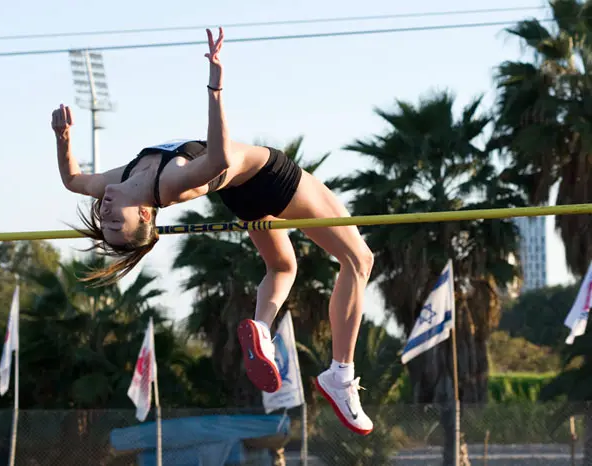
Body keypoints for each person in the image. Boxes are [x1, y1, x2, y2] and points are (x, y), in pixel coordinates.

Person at [51, 27, 374, 435]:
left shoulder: (121, 180)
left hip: (243, 198)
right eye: (117, 222)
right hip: (270, 177)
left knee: (281, 268)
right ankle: (340, 376)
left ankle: (261, 328)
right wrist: (215, 86)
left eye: (104, 220)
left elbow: (73, 179)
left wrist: (63, 138)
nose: (106, 213)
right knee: (359, 259)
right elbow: (219, 159)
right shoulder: (166, 186)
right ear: (146, 217)